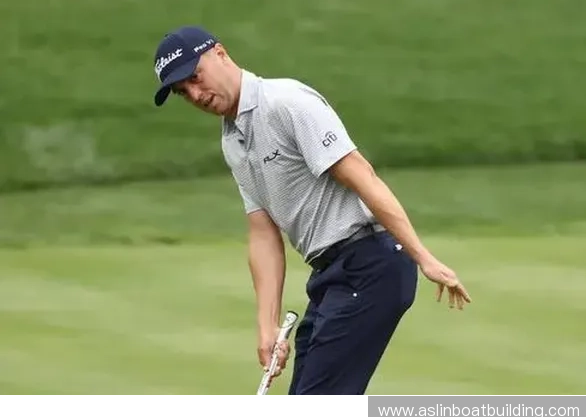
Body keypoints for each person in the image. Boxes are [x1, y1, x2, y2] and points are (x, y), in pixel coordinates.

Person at [152, 25, 472, 396]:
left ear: (220, 54)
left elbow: (363, 177)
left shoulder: (285, 102)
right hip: (331, 276)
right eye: (183, 91)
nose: (195, 94)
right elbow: (262, 231)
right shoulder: (233, 140)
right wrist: (267, 325)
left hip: (371, 263)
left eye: (195, 77)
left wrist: (423, 257)